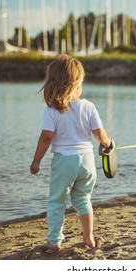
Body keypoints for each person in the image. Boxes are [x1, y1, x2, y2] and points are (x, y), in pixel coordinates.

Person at [30, 54, 111, 251]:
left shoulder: (52, 110)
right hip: (87, 161)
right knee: (83, 199)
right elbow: (99, 134)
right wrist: (108, 145)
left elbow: (46, 137)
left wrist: (36, 161)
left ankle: (54, 241)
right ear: (77, 83)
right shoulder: (88, 106)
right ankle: (89, 237)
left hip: (64, 161)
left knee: (57, 200)